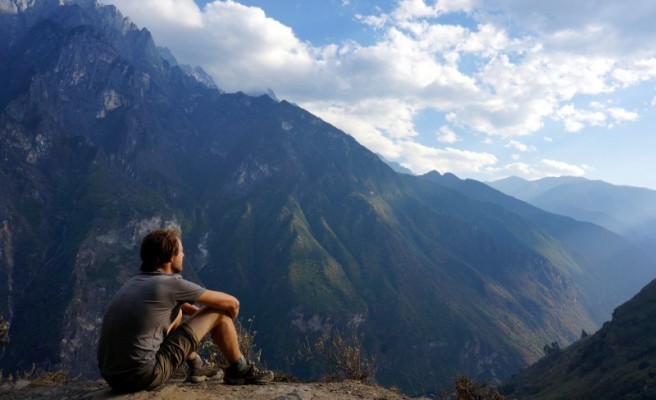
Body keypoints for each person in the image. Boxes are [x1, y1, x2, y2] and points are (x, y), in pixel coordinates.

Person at [97, 227, 274, 392]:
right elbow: (232, 304)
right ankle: (240, 370)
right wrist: (221, 319)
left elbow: (174, 306)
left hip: (112, 376)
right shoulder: (169, 285)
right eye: (180, 251)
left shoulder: (134, 282)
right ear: (170, 257)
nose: (184, 254)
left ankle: (196, 366)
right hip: (142, 376)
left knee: (179, 311)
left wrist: (202, 322)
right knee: (220, 311)